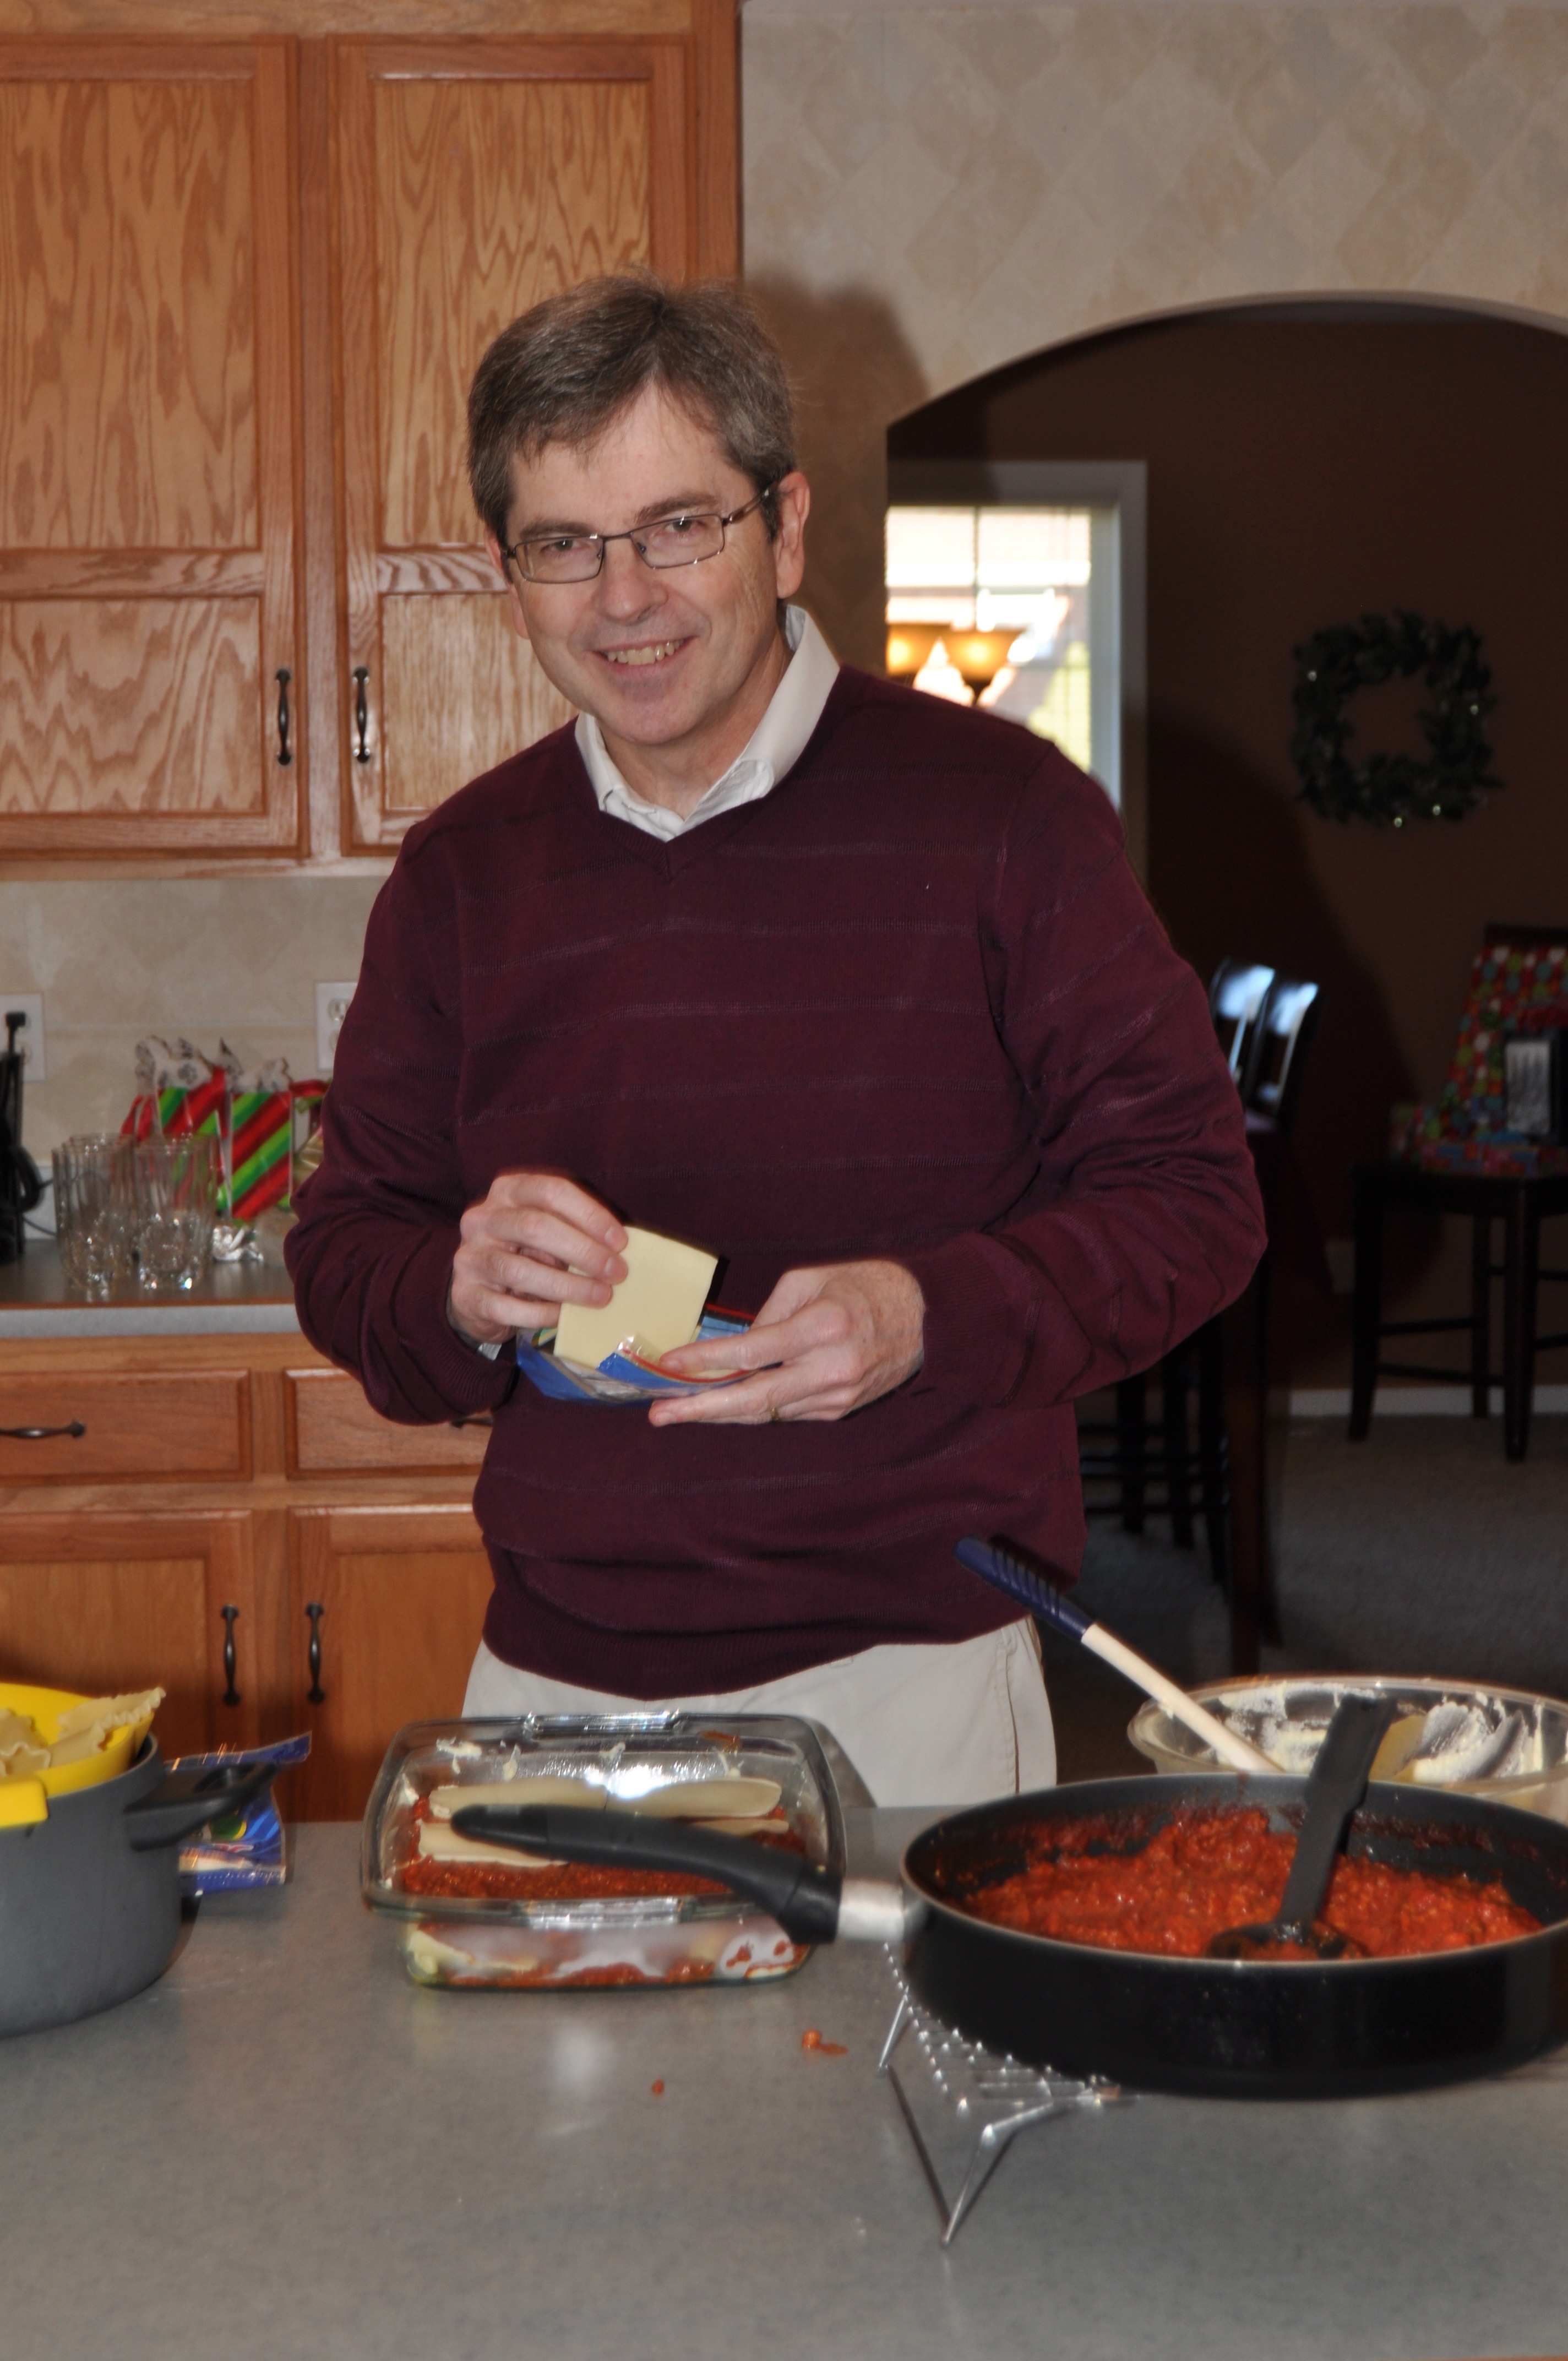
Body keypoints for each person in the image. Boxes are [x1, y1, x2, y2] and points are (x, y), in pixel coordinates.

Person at [286, 273, 1265, 1807]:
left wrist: (925, 1313)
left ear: (785, 527)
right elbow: (347, 1254)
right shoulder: (461, 874)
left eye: (680, 525)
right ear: (511, 574)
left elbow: (1197, 1205)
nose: (624, 597)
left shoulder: (1009, 820)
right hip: (552, 1685)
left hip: (915, 1689)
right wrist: (454, 1290)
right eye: (565, 544)